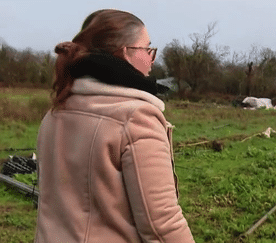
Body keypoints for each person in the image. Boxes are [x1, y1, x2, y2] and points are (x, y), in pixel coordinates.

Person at [35, 9, 194, 242]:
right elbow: (162, 225)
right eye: (147, 49)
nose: (152, 57)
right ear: (125, 53)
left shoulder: (54, 113)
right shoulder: (137, 119)